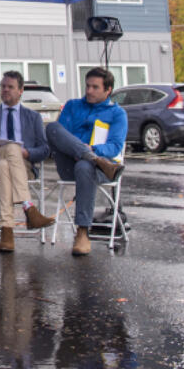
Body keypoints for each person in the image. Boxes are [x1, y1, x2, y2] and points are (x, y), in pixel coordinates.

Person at [45, 66, 127, 256]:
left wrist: (95, 150)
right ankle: (90, 157)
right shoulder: (73, 106)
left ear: (108, 90)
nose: (89, 91)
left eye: (95, 87)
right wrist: (85, 151)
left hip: (101, 170)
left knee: (84, 166)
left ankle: (83, 232)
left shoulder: (117, 114)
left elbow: (115, 146)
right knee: (52, 128)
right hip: (68, 164)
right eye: (87, 86)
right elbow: (60, 137)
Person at [0, 70, 55, 252]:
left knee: (6, 164)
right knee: (9, 149)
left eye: (10, 87)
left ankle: (7, 231)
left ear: (21, 90)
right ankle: (28, 207)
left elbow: (45, 149)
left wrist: (26, 152)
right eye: (3, 87)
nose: (5, 90)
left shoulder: (32, 117)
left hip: (21, 165)